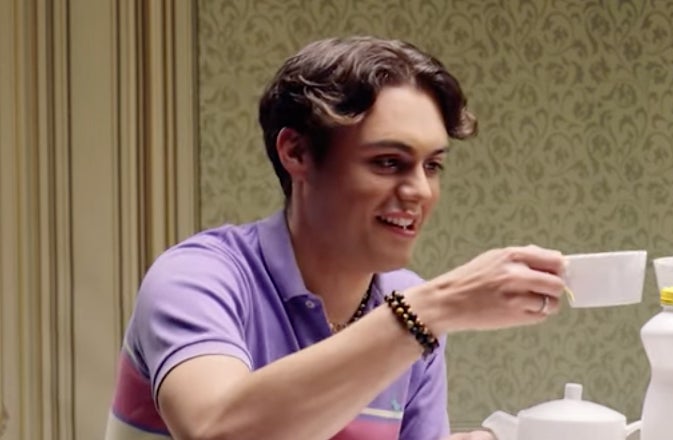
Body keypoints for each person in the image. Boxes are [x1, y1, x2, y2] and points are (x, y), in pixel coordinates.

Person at [105, 36, 564, 440]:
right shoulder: (197, 277)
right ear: (297, 152)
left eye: (433, 166)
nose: (420, 191)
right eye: (388, 162)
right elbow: (216, 432)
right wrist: (431, 309)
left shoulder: (405, 303)